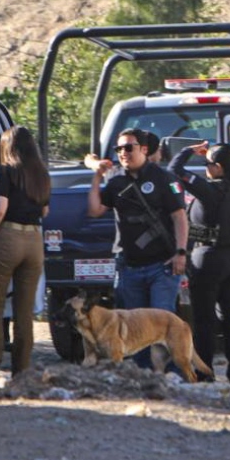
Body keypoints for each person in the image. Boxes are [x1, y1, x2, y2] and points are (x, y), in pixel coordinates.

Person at [86, 127, 188, 367]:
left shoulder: (163, 178)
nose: (123, 152)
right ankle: (143, 377)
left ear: (143, 149)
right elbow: (95, 210)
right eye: (119, 148)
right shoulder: (116, 181)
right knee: (134, 331)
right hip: (129, 267)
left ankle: (174, 379)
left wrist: (180, 252)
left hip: (161, 265)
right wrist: (97, 177)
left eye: (128, 147)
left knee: (163, 324)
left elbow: (179, 217)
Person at [169, 141, 230, 390]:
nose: (205, 168)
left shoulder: (210, 190)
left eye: (208, 164)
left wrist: (188, 150)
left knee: (204, 320)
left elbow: (174, 168)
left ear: (218, 167)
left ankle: (205, 374)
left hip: (209, 258)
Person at [0, 125, 51, 381]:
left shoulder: (6, 171)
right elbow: (44, 212)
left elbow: (0, 209)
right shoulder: (42, 174)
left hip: (8, 238)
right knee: (24, 310)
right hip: (34, 241)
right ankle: (22, 370)